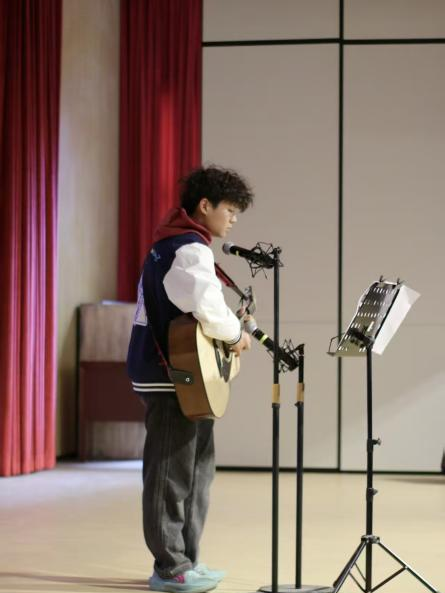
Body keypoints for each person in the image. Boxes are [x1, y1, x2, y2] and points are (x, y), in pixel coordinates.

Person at [127, 165, 254, 593]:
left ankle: (187, 560)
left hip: (180, 374)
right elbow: (206, 307)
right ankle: (170, 567)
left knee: (196, 472)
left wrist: (229, 328)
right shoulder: (188, 247)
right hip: (172, 374)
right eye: (229, 210)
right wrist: (236, 334)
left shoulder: (175, 243)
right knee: (171, 475)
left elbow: (195, 307)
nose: (232, 219)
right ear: (204, 205)